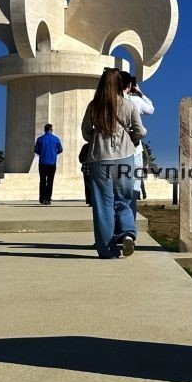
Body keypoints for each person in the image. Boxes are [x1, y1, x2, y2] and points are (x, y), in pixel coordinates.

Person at [81, 68, 145, 258]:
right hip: (125, 157)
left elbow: (85, 132)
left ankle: (108, 250)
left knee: (103, 205)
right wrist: (129, 137)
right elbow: (140, 131)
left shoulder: (94, 106)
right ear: (120, 84)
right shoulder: (129, 105)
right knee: (123, 201)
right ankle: (127, 234)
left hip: (100, 158)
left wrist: (96, 136)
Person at [119, 71, 155, 199]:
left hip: (112, 150)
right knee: (134, 186)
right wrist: (140, 93)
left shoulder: (104, 101)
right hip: (133, 149)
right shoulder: (134, 101)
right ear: (129, 85)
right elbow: (151, 109)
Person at [34, 124, 63, 205]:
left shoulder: (40, 139)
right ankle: (48, 199)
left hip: (42, 162)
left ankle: (42, 198)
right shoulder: (56, 139)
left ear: (44, 130)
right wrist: (54, 153)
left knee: (42, 181)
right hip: (52, 163)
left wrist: (42, 153)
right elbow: (60, 149)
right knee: (50, 181)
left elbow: (36, 150)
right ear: (51, 130)